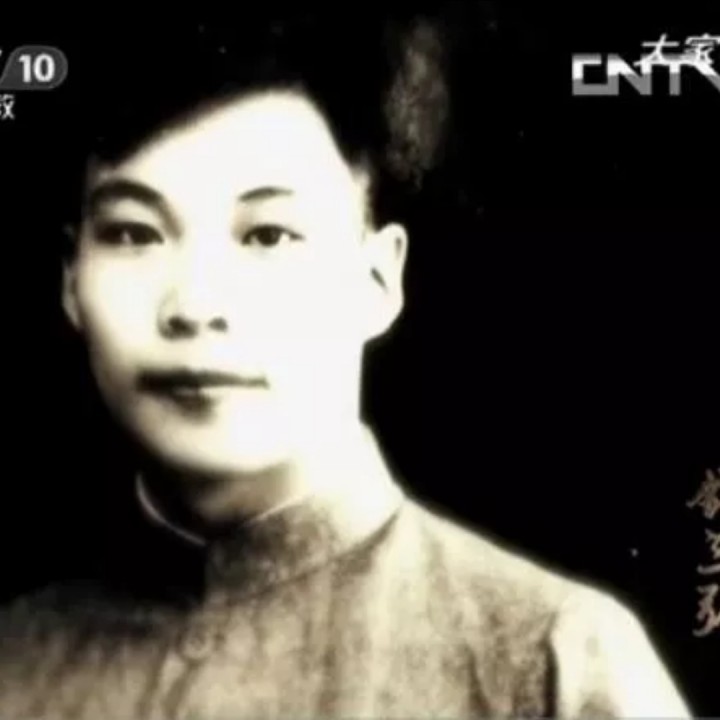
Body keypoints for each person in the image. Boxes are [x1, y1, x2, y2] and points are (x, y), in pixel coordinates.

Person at [0, 12, 692, 719]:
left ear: (377, 279)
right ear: (71, 281)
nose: (195, 306)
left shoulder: (552, 657)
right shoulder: (16, 654)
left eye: (268, 235)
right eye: (134, 233)